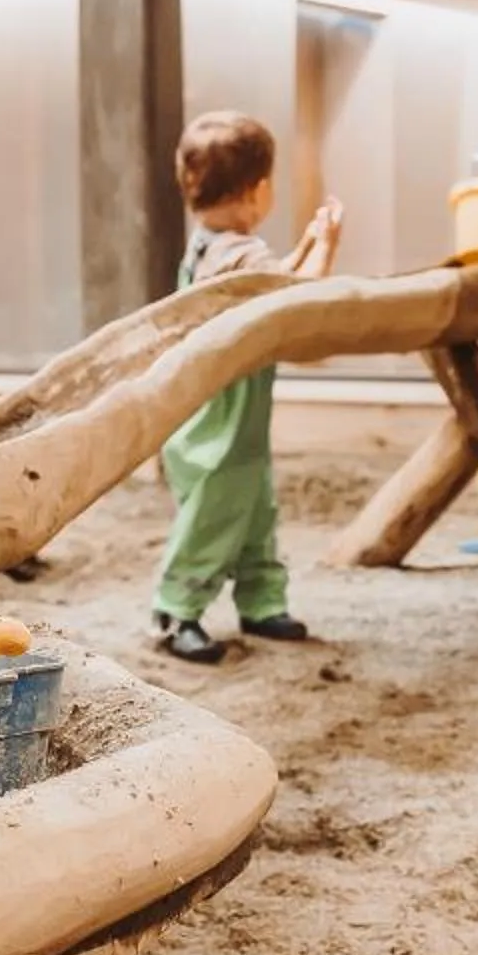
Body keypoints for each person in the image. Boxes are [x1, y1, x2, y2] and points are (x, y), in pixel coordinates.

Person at [151, 112, 341, 665]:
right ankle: (176, 609)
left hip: (218, 414)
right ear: (258, 190)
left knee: (256, 510)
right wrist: (326, 246)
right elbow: (296, 302)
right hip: (224, 423)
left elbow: (269, 283)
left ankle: (262, 601)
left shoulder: (209, 245)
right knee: (215, 516)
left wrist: (303, 246)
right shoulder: (242, 252)